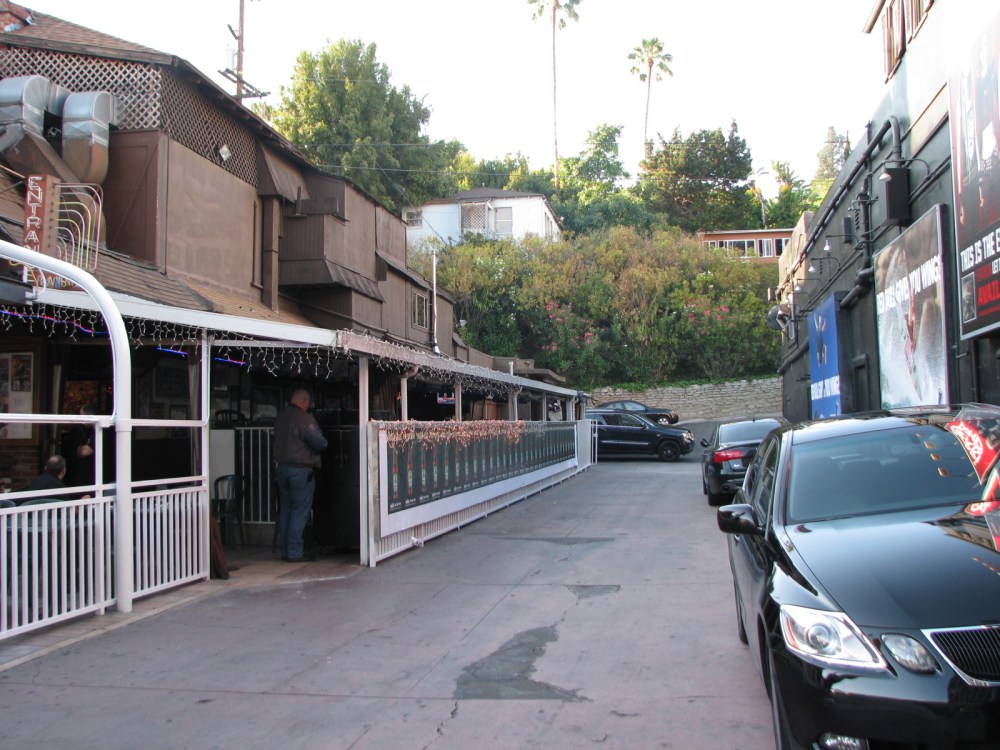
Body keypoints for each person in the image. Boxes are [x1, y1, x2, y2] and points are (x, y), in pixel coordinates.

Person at [273, 389, 327, 562]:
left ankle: (285, 551)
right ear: (304, 401)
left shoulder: (281, 416)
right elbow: (319, 443)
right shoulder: (304, 419)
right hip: (300, 471)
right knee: (299, 511)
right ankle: (295, 552)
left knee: (286, 510)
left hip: (281, 469)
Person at [62, 403, 96, 490]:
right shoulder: (80, 431)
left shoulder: (99, 432)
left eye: (82, 416)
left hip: (86, 475)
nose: (81, 420)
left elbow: (83, 452)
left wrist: (82, 446)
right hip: (88, 474)